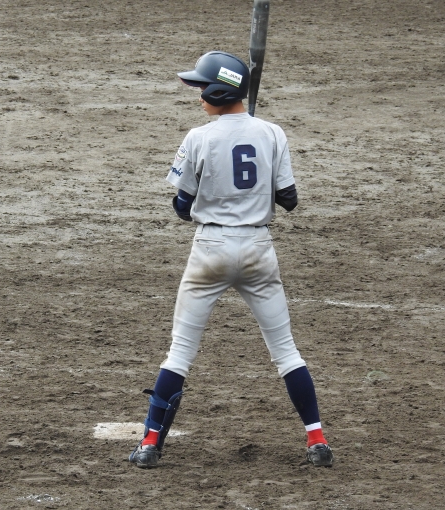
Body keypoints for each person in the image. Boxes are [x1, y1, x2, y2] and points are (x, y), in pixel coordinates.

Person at [128, 51, 333, 469]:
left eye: (203, 87)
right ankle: (317, 440)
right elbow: (289, 199)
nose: (199, 94)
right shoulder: (272, 133)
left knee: (179, 353)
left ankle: (149, 444)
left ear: (220, 91)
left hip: (210, 251)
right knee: (287, 353)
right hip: (259, 250)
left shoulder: (198, 137)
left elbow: (182, 207)